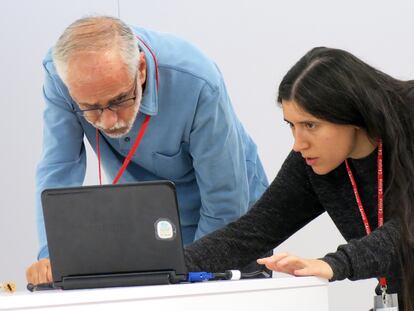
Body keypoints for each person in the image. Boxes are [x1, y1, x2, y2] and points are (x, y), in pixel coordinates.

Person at [26, 16, 268, 285]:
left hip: (229, 222)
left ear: (140, 69)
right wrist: (53, 257)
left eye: (119, 100)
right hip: (150, 225)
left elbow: (224, 198)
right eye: (90, 107)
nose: (109, 122)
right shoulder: (61, 74)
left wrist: (195, 274)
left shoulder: (196, 80)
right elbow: (58, 168)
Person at [185, 47, 414, 310]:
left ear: (353, 113)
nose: (298, 143)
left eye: (310, 125)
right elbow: (249, 234)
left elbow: (407, 229)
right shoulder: (313, 161)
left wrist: (334, 263)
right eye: (291, 125)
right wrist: (162, 266)